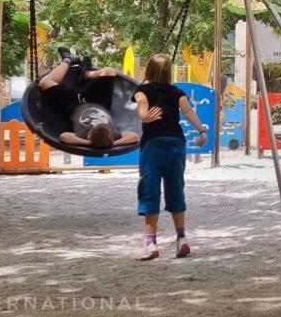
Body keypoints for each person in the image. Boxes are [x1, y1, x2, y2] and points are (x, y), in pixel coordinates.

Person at [133, 53, 207, 261]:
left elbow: (141, 105)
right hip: (176, 145)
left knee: (149, 190)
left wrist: (145, 117)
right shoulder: (178, 92)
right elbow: (188, 111)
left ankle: (150, 243)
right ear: (169, 72)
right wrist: (202, 131)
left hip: (153, 146)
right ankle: (181, 238)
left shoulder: (142, 90)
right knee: (176, 188)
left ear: (148, 71)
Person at [38, 48, 138, 149]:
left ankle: (68, 60)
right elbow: (133, 136)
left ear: (89, 136)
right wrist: (110, 144)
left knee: (44, 83)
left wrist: (90, 143)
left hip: (74, 104)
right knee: (109, 71)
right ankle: (87, 74)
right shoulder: (114, 134)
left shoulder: (83, 135)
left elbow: (64, 137)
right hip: (100, 102)